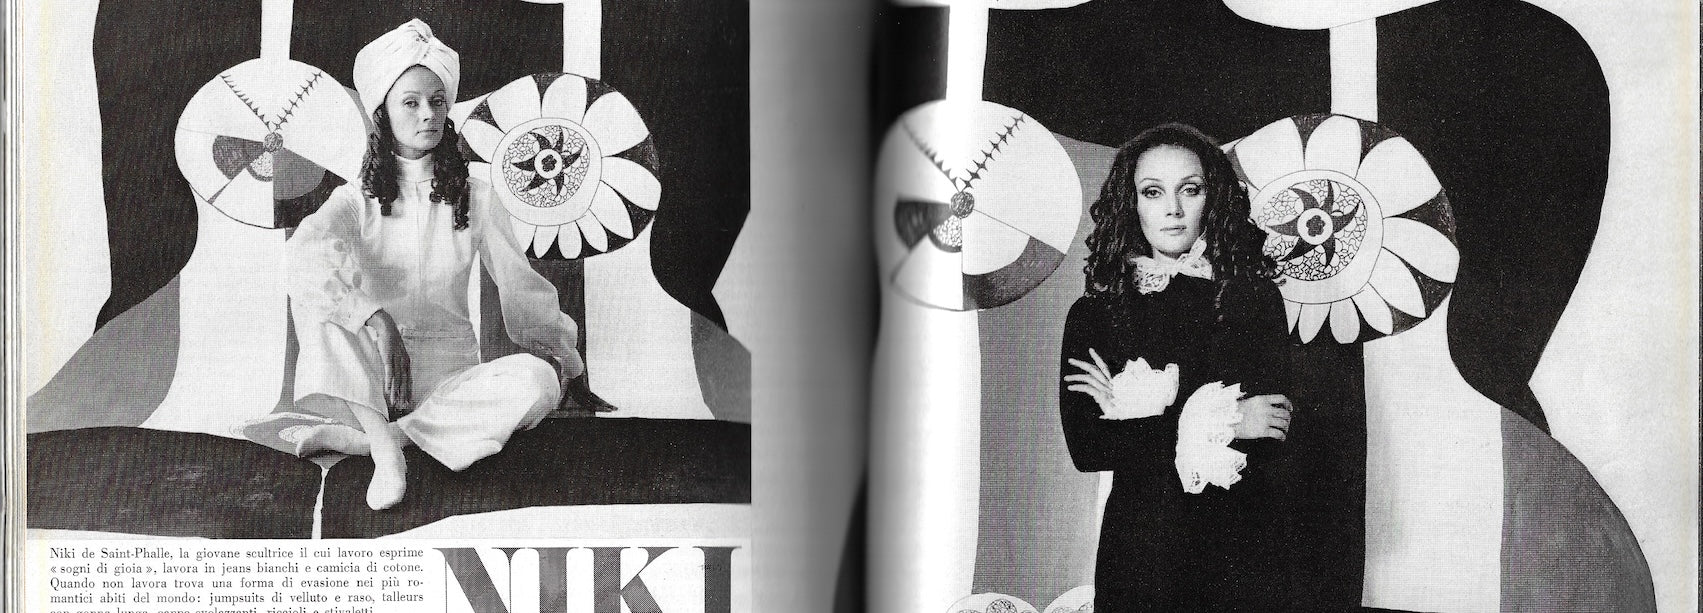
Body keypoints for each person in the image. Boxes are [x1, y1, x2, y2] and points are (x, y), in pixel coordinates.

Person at [243, 19, 612, 511]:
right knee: (320, 296)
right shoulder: (354, 200)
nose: (428, 115)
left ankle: (381, 441)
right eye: (411, 103)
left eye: (438, 102)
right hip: (368, 385)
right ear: (383, 113)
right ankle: (384, 448)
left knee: (536, 380)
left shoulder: (478, 196)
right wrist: (378, 320)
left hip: (449, 391)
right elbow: (304, 258)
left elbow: (521, 291)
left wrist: (565, 360)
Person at [1059, 123, 1300, 611]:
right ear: (1132, 203)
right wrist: (1224, 421)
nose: (1172, 209)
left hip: (1241, 551)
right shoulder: (1095, 315)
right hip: (1143, 552)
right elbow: (1089, 446)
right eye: (1153, 192)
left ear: (1213, 198)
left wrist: (1133, 416)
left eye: (1190, 189)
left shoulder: (1254, 299)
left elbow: (1270, 426)